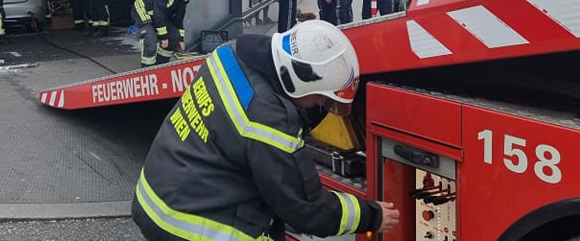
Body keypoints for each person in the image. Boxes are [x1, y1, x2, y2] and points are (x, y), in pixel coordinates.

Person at [131, 19, 401, 240]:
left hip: (155, 196)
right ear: (297, 81)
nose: (320, 105)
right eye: (320, 98)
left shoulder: (230, 53)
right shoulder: (269, 119)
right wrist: (371, 215)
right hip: (189, 226)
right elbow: (306, 209)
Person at [132, 0, 203, 67]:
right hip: (143, 11)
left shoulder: (182, 0)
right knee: (150, 39)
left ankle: (160, 66)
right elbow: (159, 15)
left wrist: (180, 39)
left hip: (157, 15)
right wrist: (163, 37)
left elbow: (178, 20)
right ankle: (147, 69)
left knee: (174, 37)